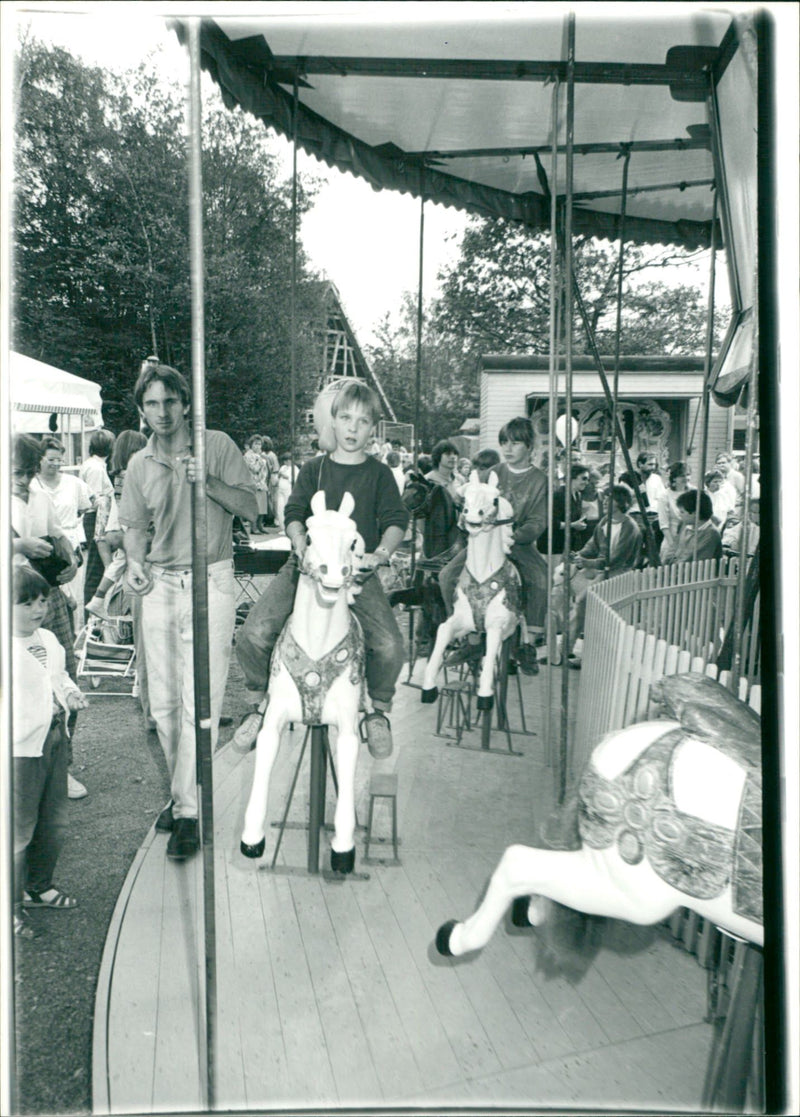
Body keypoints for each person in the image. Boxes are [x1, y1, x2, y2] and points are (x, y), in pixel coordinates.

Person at [119, 361, 258, 860]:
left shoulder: (216, 445)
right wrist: (135, 561)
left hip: (210, 580)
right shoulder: (138, 465)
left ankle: (186, 811)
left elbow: (252, 508)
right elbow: (134, 525)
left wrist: (209, 482)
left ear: (186, 403)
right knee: (161, 706)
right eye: (151, 404)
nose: (162, 412)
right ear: (141, 411)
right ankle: (186, 797)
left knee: (200, 701)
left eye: (170, 402)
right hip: (158, 585)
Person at [233, 380, 409, 757]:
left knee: (391, 645)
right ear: (334, 421)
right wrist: (298, 541)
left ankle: (376, 710)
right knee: (254, 632)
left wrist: (379, 554)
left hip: (354, 575)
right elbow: (294, 512)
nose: (352, 428)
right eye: (346, 418)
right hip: (306, 571)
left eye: (362, 422)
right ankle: (259, 702)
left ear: (373, 429)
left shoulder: (379, 475)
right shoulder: (314, 470)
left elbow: (396, 520)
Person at [12, 565, 89, 939]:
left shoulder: (48, 639)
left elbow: (58, 676)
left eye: (41, 601)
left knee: (54, 822)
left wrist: (70, 693)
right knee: (17, 832)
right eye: (25, 604)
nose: (37, 609)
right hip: (18, 751)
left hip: (54, 740)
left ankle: (38, 887)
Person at [439, 418, 548, 673]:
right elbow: (470, 498)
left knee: (540, 578)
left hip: (516, 543)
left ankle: (528, 642)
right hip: (483, 541)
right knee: (446, 576)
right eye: (504, 443)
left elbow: (538, 519)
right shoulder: (492, 473)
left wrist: (516, 536)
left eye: (515, 443)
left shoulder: (538, 480)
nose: (508, 449)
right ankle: (469, 636)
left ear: (530, 446)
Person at [11, 434, 86, 800]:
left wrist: (70, 558)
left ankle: (62, 767)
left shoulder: (40, 496)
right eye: (16, 473)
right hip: (10, 599)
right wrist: (18, 546)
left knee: (62, 673)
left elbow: (59, 534)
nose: (23, 480)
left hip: (48, 594)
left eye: (28, 471)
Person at [555, 483, 642, 668]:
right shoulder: (604, 522)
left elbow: (615, 559)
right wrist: (579, 555)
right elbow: (593, 545)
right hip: (603, 570)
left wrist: (588, 563)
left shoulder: (630, 528)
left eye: (609, 499)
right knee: (570, 595)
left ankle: (582, 653)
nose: (604, 502)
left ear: (620, 502)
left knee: (584, 602)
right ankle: (565, 650)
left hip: (619, 573)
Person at [30, 436, 94, 614]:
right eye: (51, 459)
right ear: (39, 459)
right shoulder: (31, 484)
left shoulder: (73, 483)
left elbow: (90, 503)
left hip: (69, 546)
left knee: (71, 603)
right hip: (41, 551)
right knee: (46, 601)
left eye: (60, 460)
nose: (56, 464)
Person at [79, 429, 116, 611]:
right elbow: (95, 500)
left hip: (97, 518)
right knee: (96, 569)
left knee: (99, 567)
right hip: (96, 519)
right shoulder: (95, 468)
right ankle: (90, 614)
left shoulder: (95, 465)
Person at [538, 462, 591, 555]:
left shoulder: (578, 495)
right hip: (553, 546)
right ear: (572, 478)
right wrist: (574, 525)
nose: (587, 482)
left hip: (567, 545)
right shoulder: (558, 495)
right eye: (584, 478)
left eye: (588, 479)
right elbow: (551, 523)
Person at [669, 489, 723, 564]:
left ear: (695, 513)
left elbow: (695, 559)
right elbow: (674, 549)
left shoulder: (711, 534)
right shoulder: (685, 526)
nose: (679, 515)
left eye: (682, 512)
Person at [656, 461, 691, 562]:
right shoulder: (665, 496)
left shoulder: (694, 492)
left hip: (690, 537)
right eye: (682, 475)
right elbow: (664, 525)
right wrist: (673, 546)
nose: (686, 478)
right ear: (674, 478)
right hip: (672, 537)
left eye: (688, 475)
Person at [243, 434, 270, 532]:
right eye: (255, 444)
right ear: (251, 445)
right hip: (254, 483)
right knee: (256, 506)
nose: (258, 446)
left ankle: (260, 526)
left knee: (262, 506)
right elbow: (255, 469)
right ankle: (253, 527)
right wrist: (260, 459)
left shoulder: (260, 455)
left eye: (259, 444)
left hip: (262, 483)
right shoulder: (248, 455)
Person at [425, 440, 463, 504]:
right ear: (438, 456)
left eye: (455, 454)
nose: (453, 457)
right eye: (448, 454)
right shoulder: (427, 480)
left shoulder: (460, 480)